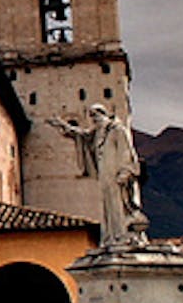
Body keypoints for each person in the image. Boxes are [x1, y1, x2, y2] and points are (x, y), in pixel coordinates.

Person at [51, 103, 149, 246]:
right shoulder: (97, 133)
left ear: (103, 114)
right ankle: (112, 235)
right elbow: (81, 135)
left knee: (120, 204)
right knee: (108, 205)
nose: (93, 119)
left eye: (95, 115)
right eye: (91, 116)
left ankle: (123, 235)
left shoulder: (117, 130)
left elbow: (126, 152)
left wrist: (125, 172)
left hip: (118, 174)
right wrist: (62, 125)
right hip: (105, 174)